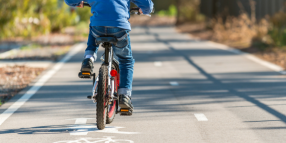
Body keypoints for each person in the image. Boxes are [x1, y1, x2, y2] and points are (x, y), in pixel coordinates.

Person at [64, 0, 154, 111]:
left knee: (94, 27)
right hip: (119, 28)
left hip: (98, 27)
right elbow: (147, 4)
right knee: (126, 61)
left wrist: (77, 3)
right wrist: (144, 10)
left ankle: (88, 59)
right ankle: (124, 96)